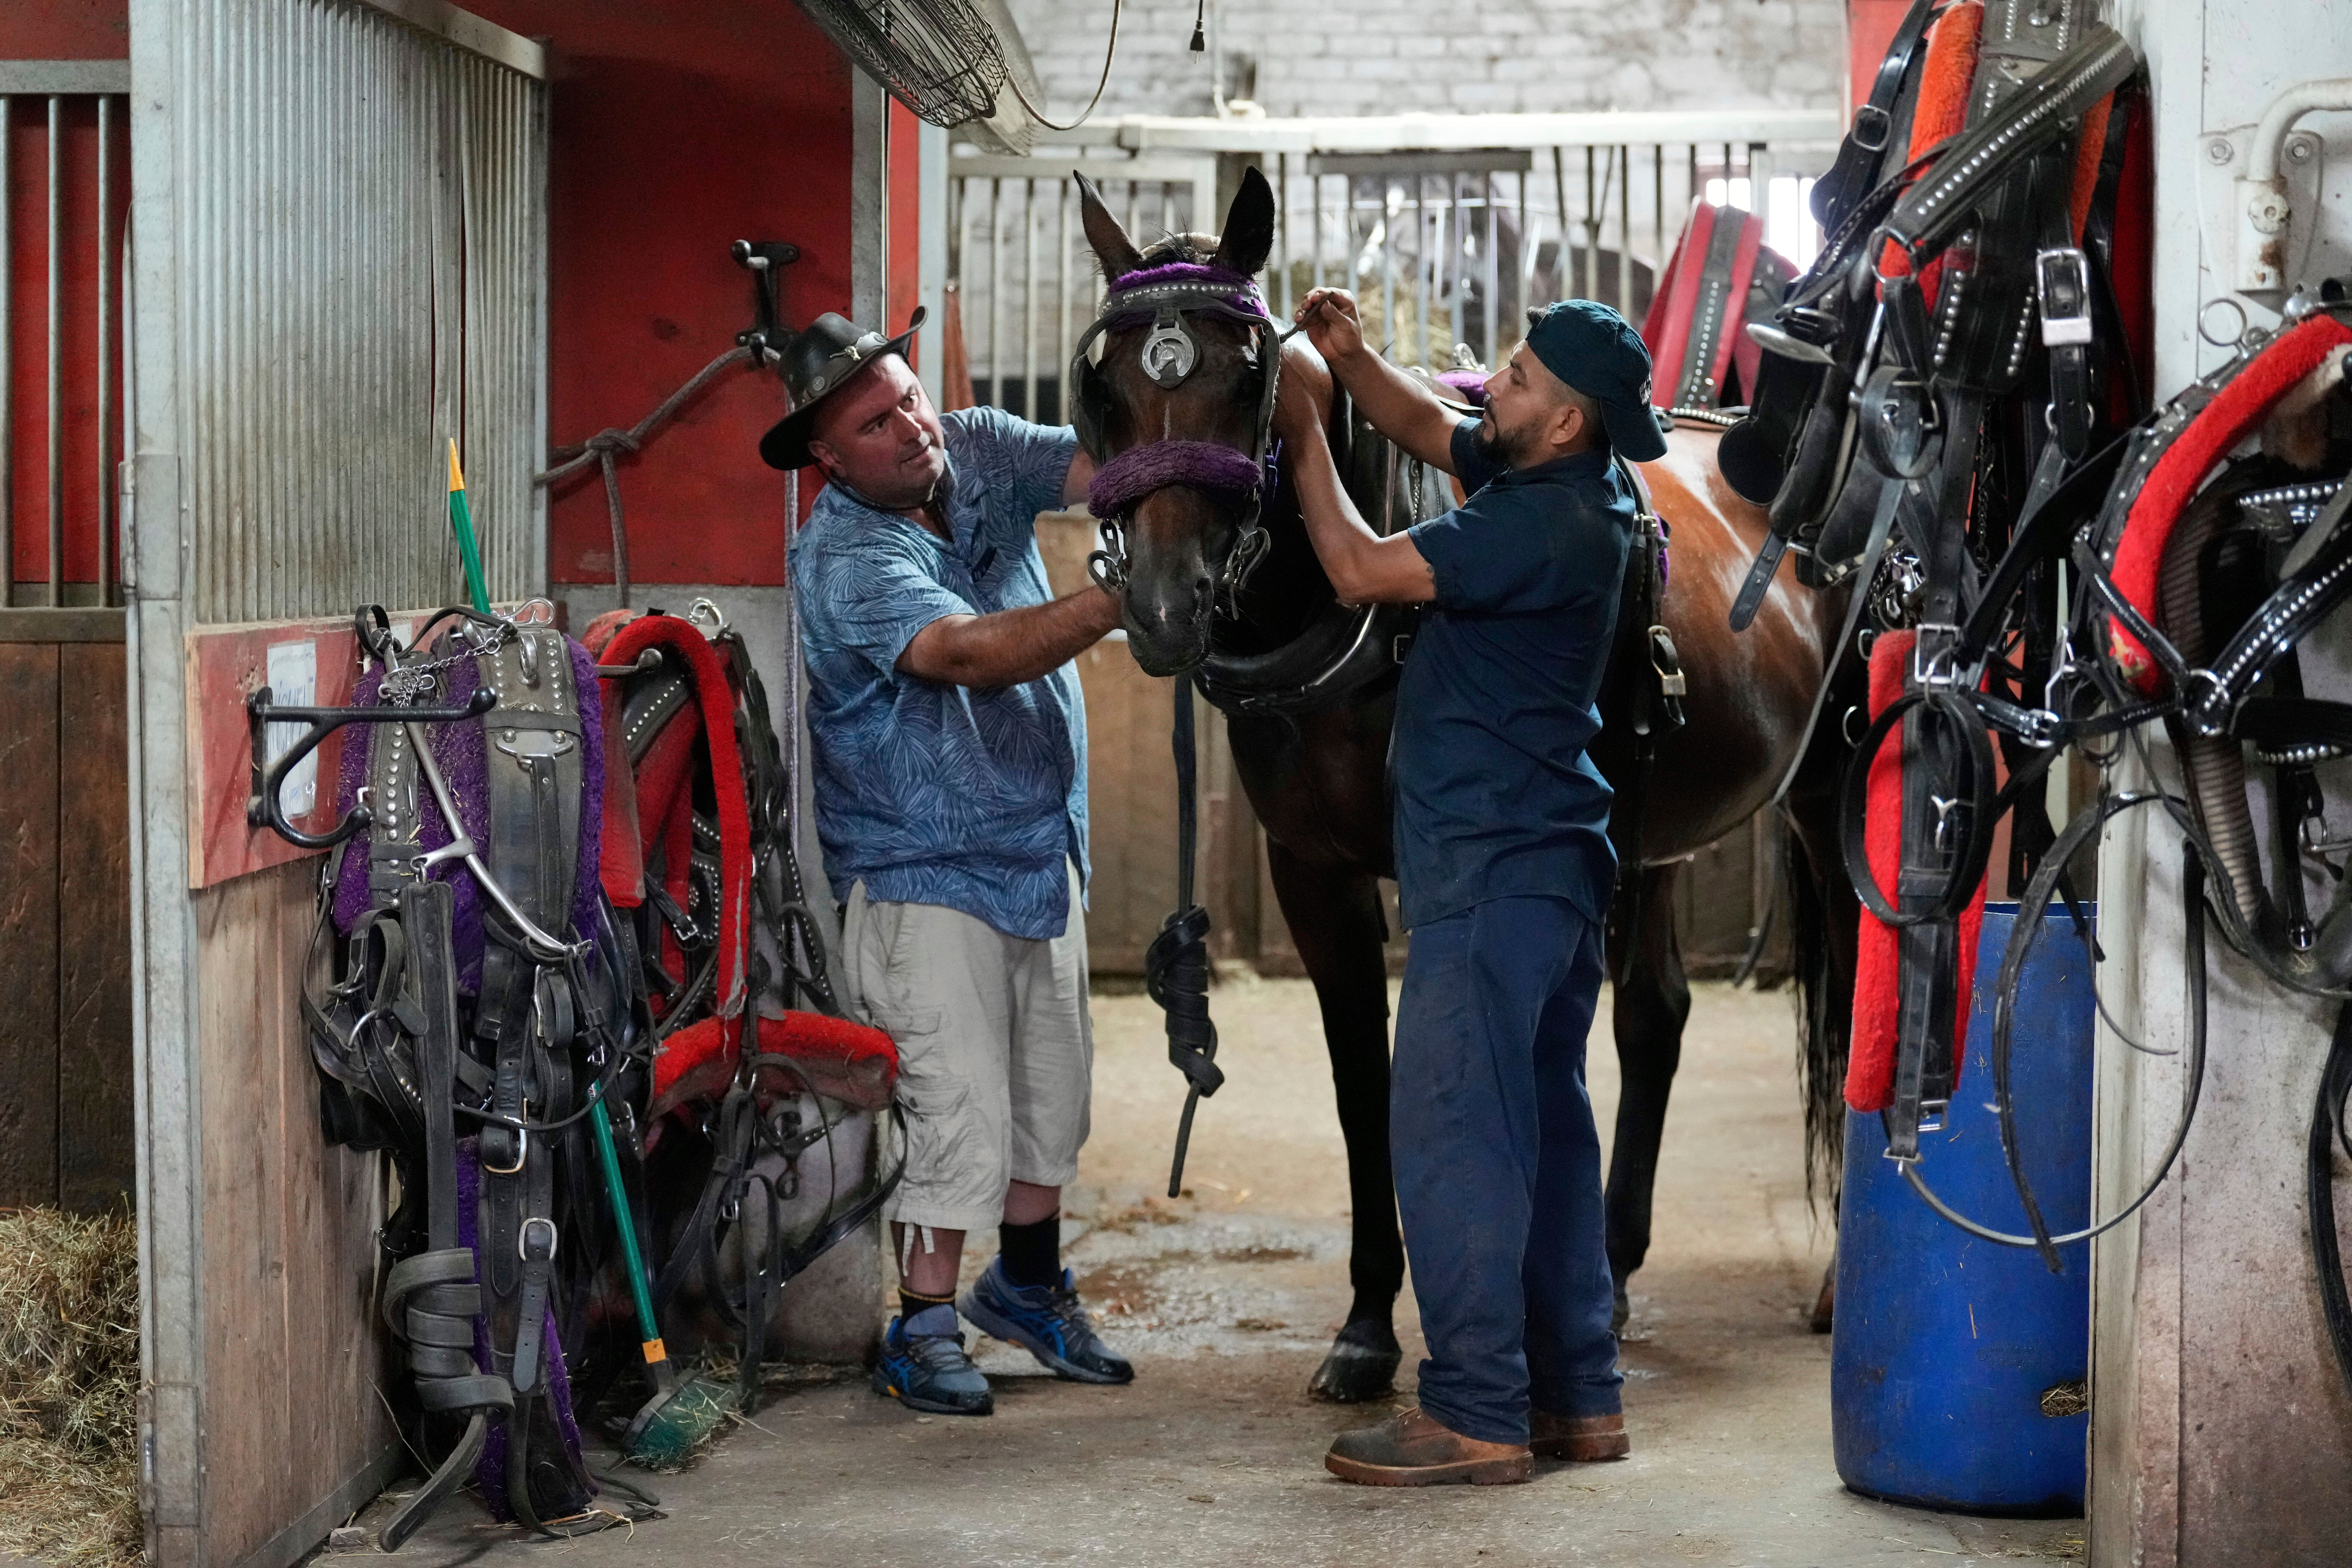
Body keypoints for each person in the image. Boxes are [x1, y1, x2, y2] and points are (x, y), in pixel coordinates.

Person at [1272, 293, 1665, 1486]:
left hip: (1491, 871)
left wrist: (1301, 425)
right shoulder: (1576, 484)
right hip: (1550, 869)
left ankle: (1476, 1410)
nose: (1496, 381)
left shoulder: (1536, 527)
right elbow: (1434, 429)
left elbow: (1350, 567)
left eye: (1522, 377)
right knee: (1544, 1136)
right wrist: (1348, 361)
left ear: (1566, 425)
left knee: (1453, 1135)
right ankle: (1578, 1400)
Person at [760, 308, 1131, 1417]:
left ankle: (1025, 1289)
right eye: (877, 424)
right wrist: (1122, 599)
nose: (912, 426)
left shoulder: (967, 444)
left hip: (1037, 847)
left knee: (1050, 1101)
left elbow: (1092, 469)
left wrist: (1168, 448)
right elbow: (962, 654)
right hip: (923, 870)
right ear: (829, 456)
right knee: (953, 1104)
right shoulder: (845, 552)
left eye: (909, 396)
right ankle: (919, 1325)